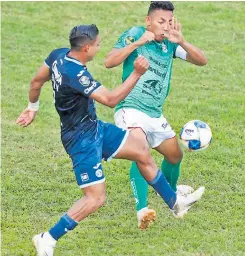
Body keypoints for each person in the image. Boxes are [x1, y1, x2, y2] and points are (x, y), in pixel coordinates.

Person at [16, 24, 204, 256]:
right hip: (81, 140)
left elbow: (36, 82)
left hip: (94, 128)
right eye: (97, 44)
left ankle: (175, 203)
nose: (99, 47)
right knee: (95, 198)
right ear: (86, 47)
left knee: (141, 150)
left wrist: (32, 107)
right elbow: (111, 99)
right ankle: (47, 238)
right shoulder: (77, 74)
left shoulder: (58, 55)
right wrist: (136, 73)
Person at [105, 1, 208, 229]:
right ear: (148, 21)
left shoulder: (170, 44)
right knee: (140, 152)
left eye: (169, 22)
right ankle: (142, 209)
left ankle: (171, 198)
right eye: (161, 22)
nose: (165, 26)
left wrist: (182, 42)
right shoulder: (135, 34)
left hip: (154, 113)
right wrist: (138, 43)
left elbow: (202, 60)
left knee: (174, 156)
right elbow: (109, 61)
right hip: (130, 108)